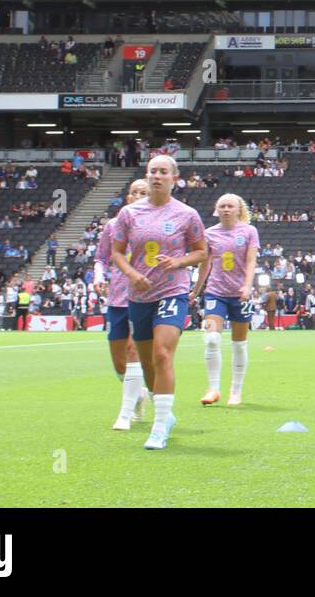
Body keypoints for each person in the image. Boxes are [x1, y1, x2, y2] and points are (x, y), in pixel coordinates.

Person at [109, 155, 207, 450]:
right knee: (148, 361)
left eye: (163, 172)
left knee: (163, 354)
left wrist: (178, 261)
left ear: (174, 178)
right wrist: (132, 274)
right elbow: (116, 253)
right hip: (139, 295)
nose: (157, 176)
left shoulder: (187, 215)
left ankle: (160, 425)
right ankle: (164, 412)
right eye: (153, 171)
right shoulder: (129, 213)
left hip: (173, 291)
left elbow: (202, 253)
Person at [190, 194, 259, 407]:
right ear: (216, 209)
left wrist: (247, 285)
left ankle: (236, 391)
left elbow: (250, 261)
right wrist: (195, 290)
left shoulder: (249, 232)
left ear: (239, 210)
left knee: (239, 344)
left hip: (241, 295)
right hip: (215, 293)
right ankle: (213, 388)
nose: (226, 209)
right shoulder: (209, 234)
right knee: (211, 339)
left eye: (230, 206)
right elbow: (205, 264)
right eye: (222, 206)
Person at [98, 178, 152, 430]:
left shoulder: (157, 225)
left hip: (144, 295)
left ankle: (125, 413)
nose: (139, 195)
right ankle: (138, 394)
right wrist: (99, 276)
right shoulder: (113, 225)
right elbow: (101, 258)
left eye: (144, 192)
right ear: (128, 198)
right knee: (119, 362)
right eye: (134, 192)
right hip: (118, 297)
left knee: (133, 351)